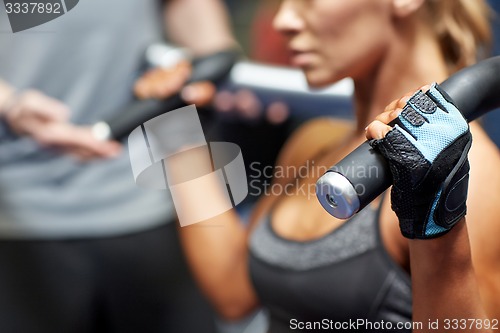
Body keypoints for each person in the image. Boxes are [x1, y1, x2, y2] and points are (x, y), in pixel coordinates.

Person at [138, 0, 500, 332]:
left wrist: (436, 228)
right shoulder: (313, 143)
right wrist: (176, 133)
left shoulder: (476, 177)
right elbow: (234, 294)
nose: (284, 20)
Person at [0, 0, 236, 332]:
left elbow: (191, 14)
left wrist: (218, 66)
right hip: (19, 207)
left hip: (145, 195)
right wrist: (10, 106)